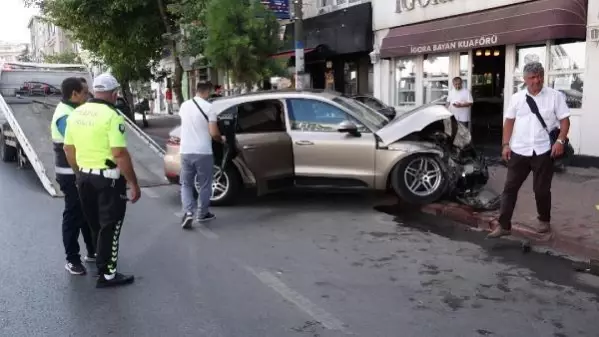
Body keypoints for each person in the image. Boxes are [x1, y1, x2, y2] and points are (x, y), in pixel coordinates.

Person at [63, 73, 142, 288]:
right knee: (111, 226)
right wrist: (133, 183)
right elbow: (119, 154)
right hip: (108, 181)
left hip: (84, 178)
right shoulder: (112, 116)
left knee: (95, 223)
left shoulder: (76, 114)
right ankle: (107, 274)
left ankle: (101, 263)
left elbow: (68, 148)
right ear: (114, 94)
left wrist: (78, 171)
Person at [487, 62, 570, 239]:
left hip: (544, 151)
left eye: (539, 76)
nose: (537, 80)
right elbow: (509, 121)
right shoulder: (517, 98)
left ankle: (544, 220)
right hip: (519, 150)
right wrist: (505, 144)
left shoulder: (555, 96)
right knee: (510, 188)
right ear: (525, 79)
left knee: (541, 190)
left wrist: (560, 141)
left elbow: (564, 121)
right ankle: (504, 225)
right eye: (532, 77)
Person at [51, 77, 96, 275]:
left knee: (87, 212)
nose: (87, 96)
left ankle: (92, 251)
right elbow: (74, 144)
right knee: (74, 214)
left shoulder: (74, 111)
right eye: (85, 93)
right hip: (70, 174)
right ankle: (72, 259)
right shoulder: (64, 115)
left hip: (80, 172)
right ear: (74, 94)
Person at [178, 81, 223, 229]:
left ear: (196, 90)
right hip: (203, 152)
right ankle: (202, 214)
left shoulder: (184, 106)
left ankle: (188, 212)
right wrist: (222, 139)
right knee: (205, 185)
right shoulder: (209, 108)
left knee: (186, 184)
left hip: (185, 151)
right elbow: (214, 133)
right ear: (208, 91)